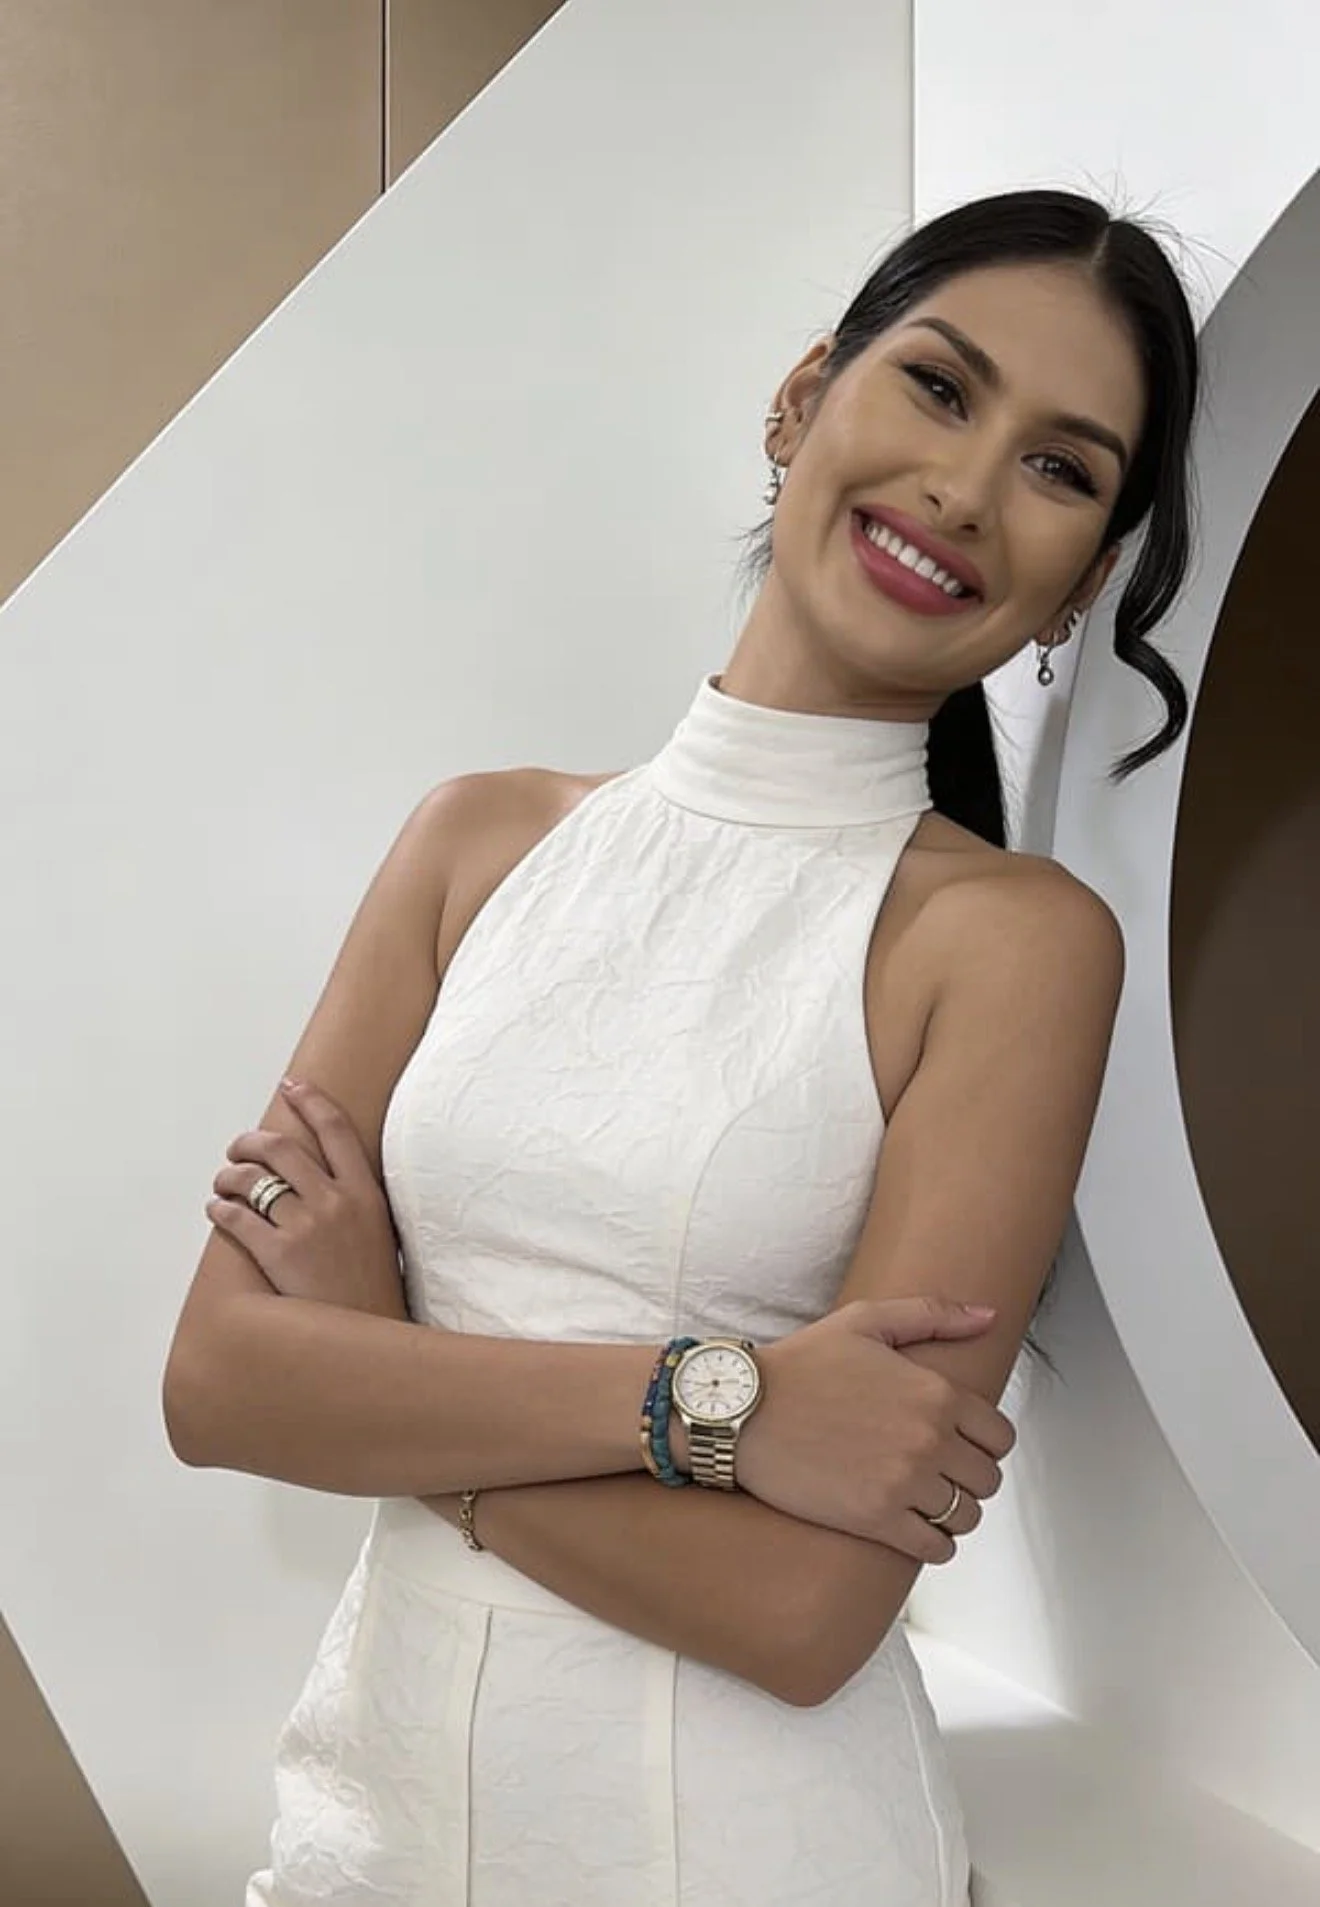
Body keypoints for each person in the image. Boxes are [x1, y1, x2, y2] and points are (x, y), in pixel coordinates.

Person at [162, 186, 1200, 1906]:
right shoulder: (470, 844)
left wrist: (371, 1365)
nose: (964, 485)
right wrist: (713, 1412)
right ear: (805, 396)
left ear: (1082, 585)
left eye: (1061, 466)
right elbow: (213, 1386)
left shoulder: (1008, 946)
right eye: (941, 387)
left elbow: (804, 1615)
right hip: (365, 1832)